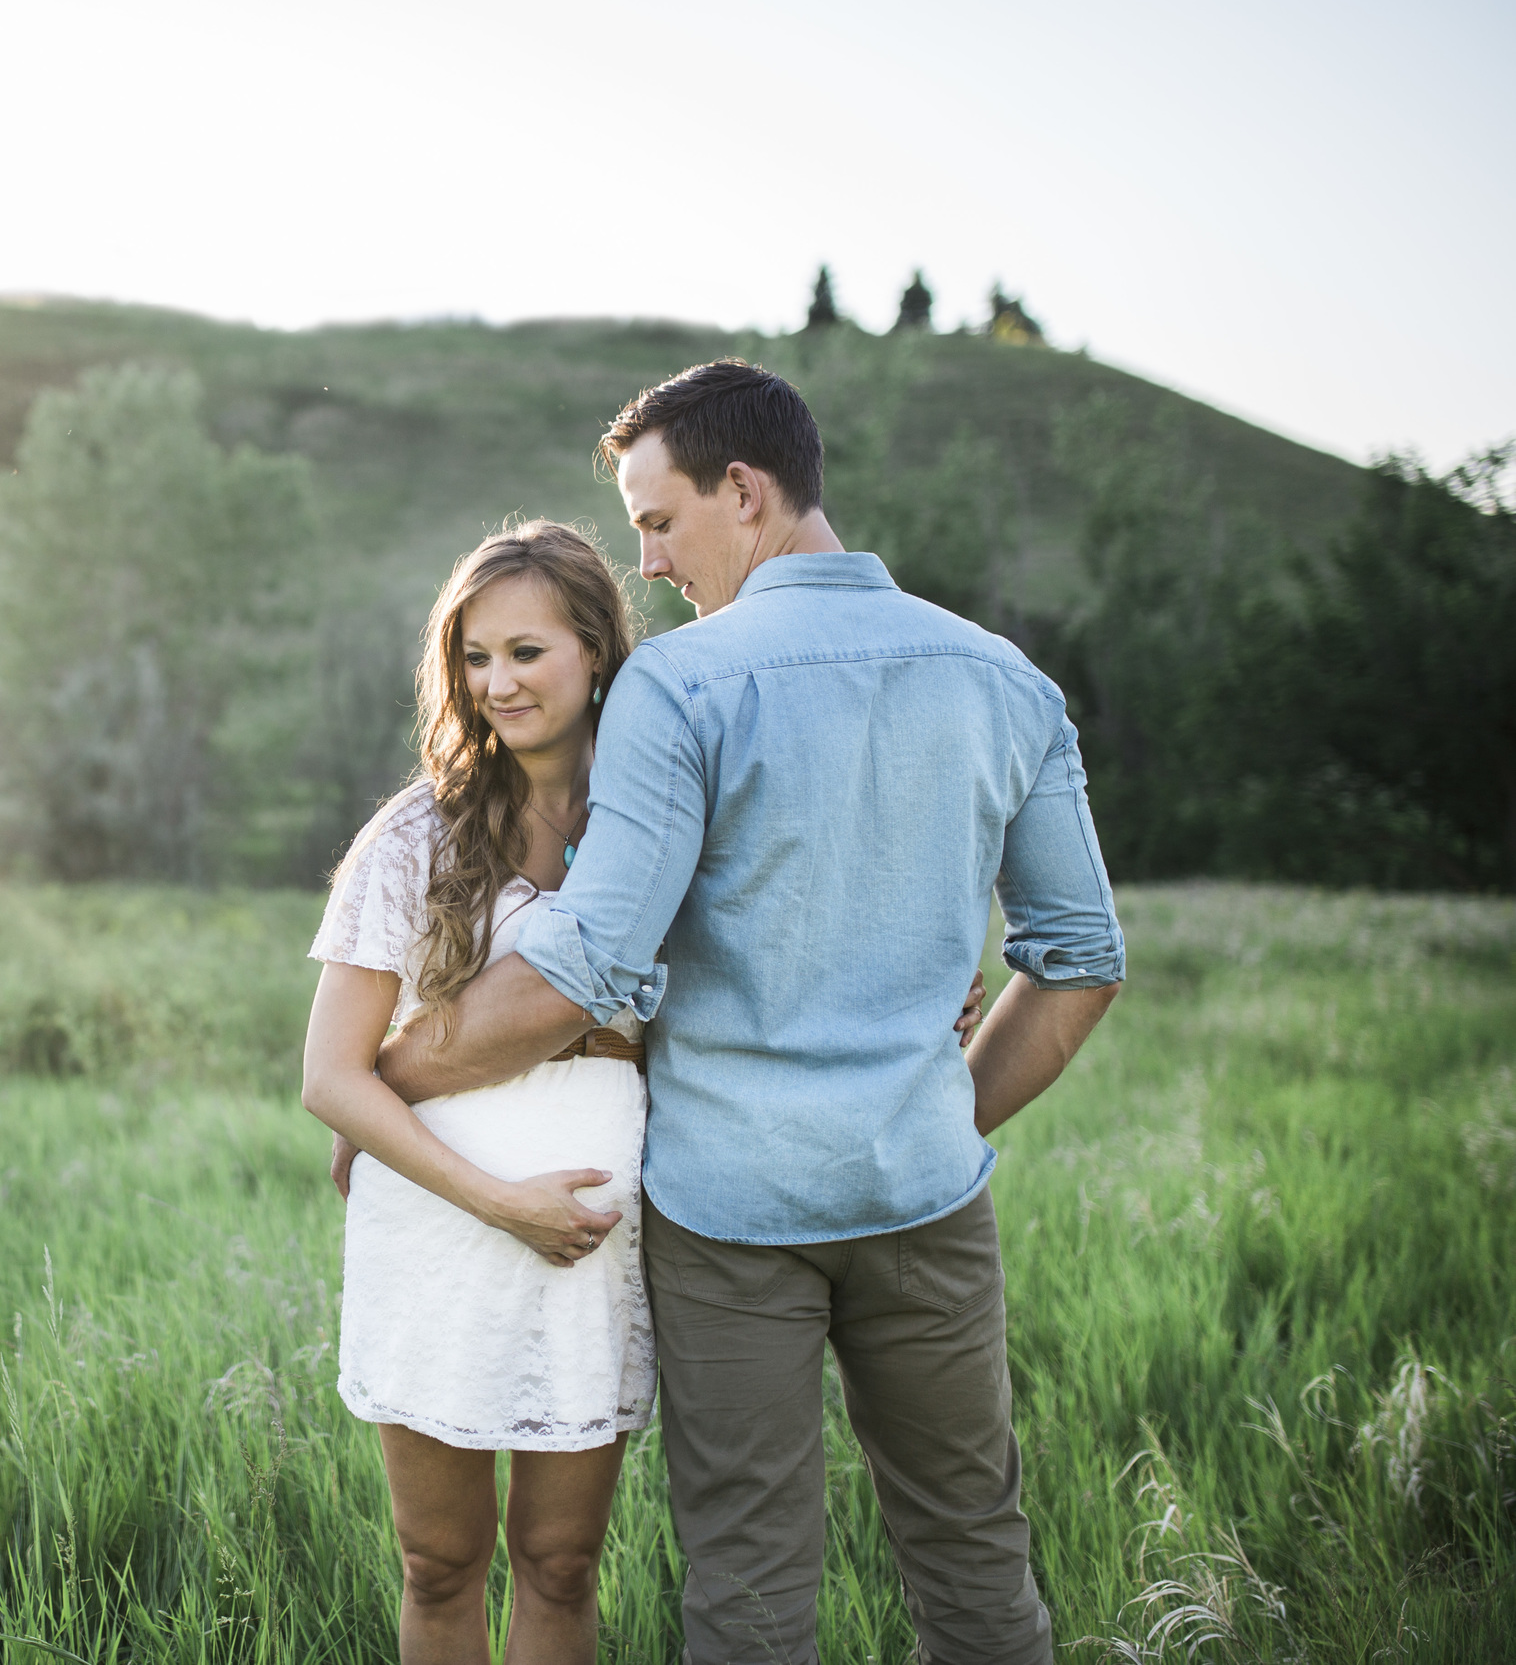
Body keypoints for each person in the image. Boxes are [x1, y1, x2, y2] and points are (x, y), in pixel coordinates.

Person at [374, 358, 1126, 1665]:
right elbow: (1078, 961)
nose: (649, 559)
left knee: (749, 1573)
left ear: (746, 488)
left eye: (657, 519)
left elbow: (584, 965)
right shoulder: (1005, 679)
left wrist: (394, 1070)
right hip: (929, 1194)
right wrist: (936, 1104)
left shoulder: (683, 683)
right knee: (972, 1550)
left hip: (730, 1219)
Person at [300, 520, 988, 1665]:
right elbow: (331, 1075)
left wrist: (921, 990)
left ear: (598, 654)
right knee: (438, 1560)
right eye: (474, 656)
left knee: (563, 1563)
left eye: (527, 651)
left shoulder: (669, 826)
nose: (497, 682)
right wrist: (492, 1194)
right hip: (437, 1221)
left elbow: (792, 956)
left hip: (595, 1233)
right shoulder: (412, 835)